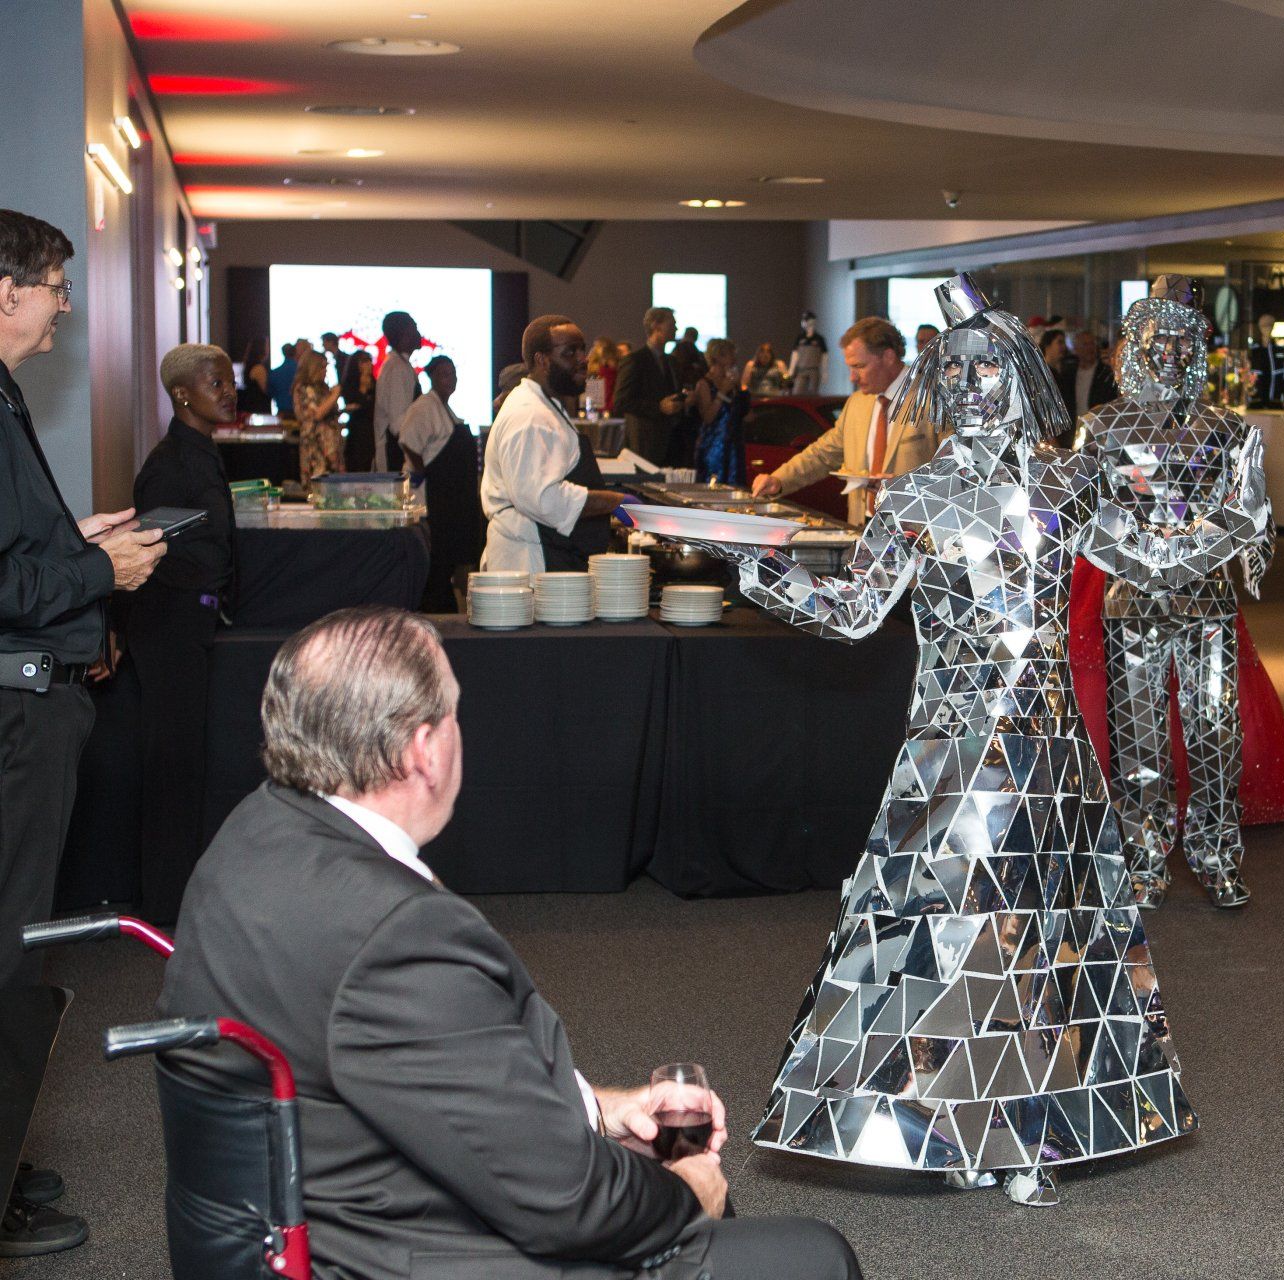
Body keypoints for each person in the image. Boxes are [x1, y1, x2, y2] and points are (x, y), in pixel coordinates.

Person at [690, 274, 1262, 1205]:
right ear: (939, 387)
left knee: (1046, 934)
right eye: (955, 372)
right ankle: (947, 1118)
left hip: (1046, 753)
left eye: (991, 366)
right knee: (936, 935)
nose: (974, 386)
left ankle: (1032, 1128)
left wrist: (1238, 514)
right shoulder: (916, 495)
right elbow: (852, 611)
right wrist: (754, 564)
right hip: (947, 747)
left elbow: (1152, 555)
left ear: (1025, 377)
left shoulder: (1065, 481)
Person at [157, 607, 862, 1280]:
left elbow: (421, 1079)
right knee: (809, 1255)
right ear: (424, 751)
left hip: (305, 1217)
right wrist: (686, 1198)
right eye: (454, 714)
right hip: (392, 1253)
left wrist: (599, 1110)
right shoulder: (393, 932)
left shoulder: (253, 834)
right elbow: (568, 1204)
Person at [0, 208, 166, 1258]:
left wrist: (77, 542)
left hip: (30, 701)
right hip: (12, 717)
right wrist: (99, 570)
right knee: (7, 954)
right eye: (55, 282)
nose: (67, 301)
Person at [1074, 275, 1274, 909]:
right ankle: (1145, 857)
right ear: (1135, 346)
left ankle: (1218, 855)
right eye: (1160, 342)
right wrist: (1146, 557)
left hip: (1208, 601)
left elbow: (1252, 511)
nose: (1173, 353)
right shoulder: (1099, 427)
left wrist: (1189, 551)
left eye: (1186, 343)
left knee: (1216, 731)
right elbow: (1083, 514)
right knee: (1138, 738)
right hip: (1130, 599)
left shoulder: (1230, 430)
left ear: (1199, 351)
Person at [125, 343, 240, 924]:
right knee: (171, 766)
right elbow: (153, 559)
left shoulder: (202, 454)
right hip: (166, 628)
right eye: (213, 383)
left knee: (185, 762)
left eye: (227, 381)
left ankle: (177, 896)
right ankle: (165, 909)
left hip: (189, 623)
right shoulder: (169, 465)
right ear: (181, 394)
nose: (227, 390)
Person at [749, 317, 938, 522]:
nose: (852, 377)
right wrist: (779, 479)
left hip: (915, 532)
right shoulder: (857, 403)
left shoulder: (932, 399)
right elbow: (822, 454)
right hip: (861, 526)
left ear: (889, 357)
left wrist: (907, 485)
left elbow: (956, 471)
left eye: (859, 366)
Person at [482, 315, 629, 573]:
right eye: (569, 352)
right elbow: (541, 499)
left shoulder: (543, 404)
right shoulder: (530, 416)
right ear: (542, 360)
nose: (582, 359)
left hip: (541, 551)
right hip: (531, 561)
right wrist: (613, 501)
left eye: (582, 349)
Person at [398, 355, 482, 612]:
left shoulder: (446, 409)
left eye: (454, 373)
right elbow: (408, 442)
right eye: (445, 374)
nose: (451, 379)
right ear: (432, 377)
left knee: (447, 561)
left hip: (449, 500)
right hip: (431, 497)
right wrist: (425, 472)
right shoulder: (424, 407)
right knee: (435, 561)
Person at [612, 306, 686, 464]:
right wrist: (659, 407)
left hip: (671, 442)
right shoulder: (635, 361)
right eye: (671, 324)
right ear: (656, 326)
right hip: (645, 441)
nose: (676, 328)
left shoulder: (671, 362)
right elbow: (621, 402)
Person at [689, 338, 748, 487]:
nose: (734, 359)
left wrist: (739, 389)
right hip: (714, 448)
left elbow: (744, 413)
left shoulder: (732, 382)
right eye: (730, 355)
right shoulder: (704, 383)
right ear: (718, 357)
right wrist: (722, 392)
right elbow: (708, 417)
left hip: (733, 446)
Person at [373, 311, 423, 472]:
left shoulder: (400, 365)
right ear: (405, 334)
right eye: (414, 328)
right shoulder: (397, 368)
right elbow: (398, 424)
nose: (419, 334)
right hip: (395, 457)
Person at [292, 349, 344, 484]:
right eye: (322, 367)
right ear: (312, 367)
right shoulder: (303, 388)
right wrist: (334, 395)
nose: (325, 371)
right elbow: (316, 414)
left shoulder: (322, 388)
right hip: (315, 449)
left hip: (331, 449)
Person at [1066, 328, 1118, 419]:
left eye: (1092, 344)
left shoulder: (1106, 374)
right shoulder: (1069, 374)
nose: (1089, 348)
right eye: (1085, 344)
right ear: (1076, 349)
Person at [340, 350, 377, 473]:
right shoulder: (349, 384)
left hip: (373, 430)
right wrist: (363, 387)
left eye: (369, 361)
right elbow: (355, 402)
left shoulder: (376, 384)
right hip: (357, 432)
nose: (368, 365)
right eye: (364, 362)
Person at [1247, 313, 1284, 408]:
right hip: (1256, 399)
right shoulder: (1253, 350)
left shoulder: (1279, 350)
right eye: (1264, 326)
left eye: (1269, 326)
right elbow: (1248, 374)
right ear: (1260, 328)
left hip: (1275, 399)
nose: (1267, 329)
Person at [786, 311, 828, 395]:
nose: (805, 322)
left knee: (813, 393)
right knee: (797, 392)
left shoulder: (819, 339)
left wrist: (824, 372)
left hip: (814, 369)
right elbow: (795, 355)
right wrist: (791, 370)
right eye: (804, 320)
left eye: (807, 320)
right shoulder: (800, 338)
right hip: (801, 369)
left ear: (813, 321)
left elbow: (824, 356)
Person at [268, 339, 308, 418]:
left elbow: (270, 392)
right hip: (300, 414)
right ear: (295, 352)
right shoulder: (303, 371)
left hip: (282, 413)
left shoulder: (274, 373)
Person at [235, 339, 273, 418]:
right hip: (259, 409)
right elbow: (266, 390)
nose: (268, 349)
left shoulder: (249, 365)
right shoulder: (258, 368)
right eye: (267, 346)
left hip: (251, 408)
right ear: (261, 349)